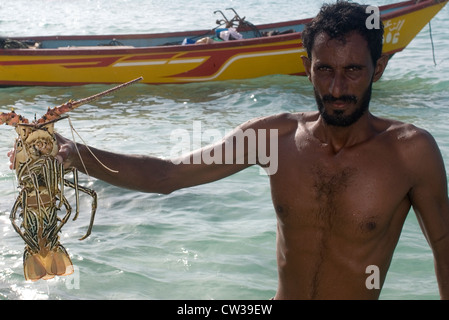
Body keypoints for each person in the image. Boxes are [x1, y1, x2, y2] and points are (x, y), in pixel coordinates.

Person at [42, 2, 449, 299]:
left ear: (377, 69)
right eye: (325, 69)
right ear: (307, 66)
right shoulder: (274, 138)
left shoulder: (410, 152)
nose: (337, 88)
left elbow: (443, 247)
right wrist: (74, 152)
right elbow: (166, 175)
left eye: (353, 70)